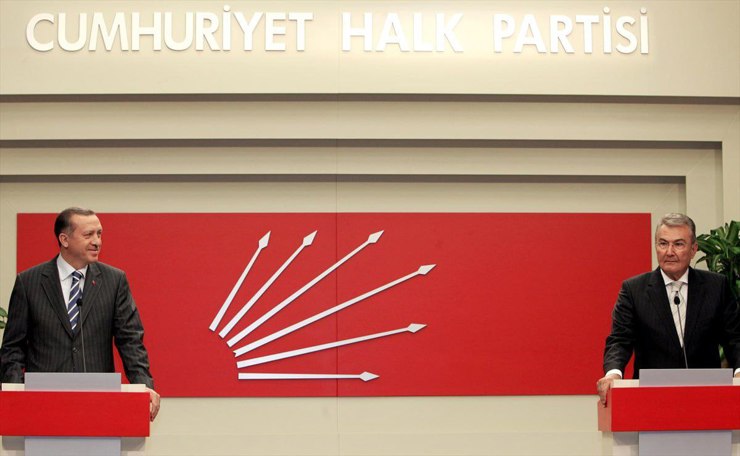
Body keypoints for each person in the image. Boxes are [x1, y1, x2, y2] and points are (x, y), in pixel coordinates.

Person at [0, 207, 160, 421]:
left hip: (98, 402)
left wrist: (143, 385)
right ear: (64, 239)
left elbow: (130, 341)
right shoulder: (29, 282)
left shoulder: (114, 281)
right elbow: (13, 347)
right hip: (41, 404)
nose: (97, 241)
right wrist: (15, 393)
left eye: (99, 234)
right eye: (88, 235)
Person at [597, 213, 740, 405]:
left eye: (678, 244)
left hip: (707, 397)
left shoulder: (716, 286)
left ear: (694, 249)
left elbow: (735, 338)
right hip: (651, 399)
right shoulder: (633, 289)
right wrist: (613, 374)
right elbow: (620, 340)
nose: (669, 252)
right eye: (663, 244)